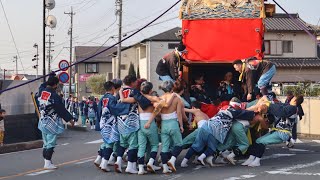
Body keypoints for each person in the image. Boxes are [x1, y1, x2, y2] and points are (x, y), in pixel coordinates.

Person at [180, 97, 262, 167]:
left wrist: (178, 107)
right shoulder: (233, 111)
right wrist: (256, 111)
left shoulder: (224, 107)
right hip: (214, 130)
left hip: (206, 125)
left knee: (194, 145)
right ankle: (201, 158)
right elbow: (246, 113)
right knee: (213, 147)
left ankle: (183, 161)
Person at [242, 95, 304, 167]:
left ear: (295, 100)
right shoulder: (290, 107)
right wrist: (269, 102)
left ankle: (257, 161)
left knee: (261, 141)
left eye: (293, 98)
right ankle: (251, 158)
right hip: (278, 131)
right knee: (258, 140)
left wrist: (269, 104)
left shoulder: (293, 108)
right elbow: (280, 105)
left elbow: (281, 111)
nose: (291, 99)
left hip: (282, 133)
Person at [37, 75, 74, 170]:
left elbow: (42, 85)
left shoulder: (42, 92)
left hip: (42, 121)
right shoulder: (54, 96)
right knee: (51, 143)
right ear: (56, 85)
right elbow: (61, 110)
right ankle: (48, 163)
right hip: (51, 123)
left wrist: (50, 77)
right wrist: (70, 119)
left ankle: (47, 162)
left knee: (45, 143)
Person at [94, 81, 129, 172]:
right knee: (110, 143)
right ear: (113, 88)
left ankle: (101, 161)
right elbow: (115, 109)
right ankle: (104, 163)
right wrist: (125, 107)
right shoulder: (112, 98)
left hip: (103, 123)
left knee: (106, 142)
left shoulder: (102, 98)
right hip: (111, 123)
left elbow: (98, 111)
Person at [115, 75, 140, 174]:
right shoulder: (133, 92)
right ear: (133, 82)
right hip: (131, 120)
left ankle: (118, 161)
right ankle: (130, 166)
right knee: (133, 144)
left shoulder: (119, 93)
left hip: (120, 120)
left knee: (122, 143)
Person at [158, 80, 184, 173]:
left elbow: (158, 113)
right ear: (172, 88)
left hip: (164, 123)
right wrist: (181, 125)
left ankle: (165, 167)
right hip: (173, 123)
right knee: (179, 144)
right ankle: (172, 160)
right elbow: (179, 113)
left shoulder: (160, 98)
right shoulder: (176, 98)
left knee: (164, 147)